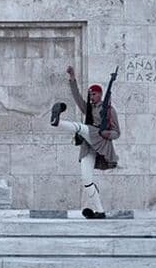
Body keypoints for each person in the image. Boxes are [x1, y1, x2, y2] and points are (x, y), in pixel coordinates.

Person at [49, 65, 120, 219]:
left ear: (100, 94)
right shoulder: (88, 108)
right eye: (90, 94)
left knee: (81, 128)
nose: (91, 96)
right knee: (86, 180)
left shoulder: (109, 110)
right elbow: (77, 98)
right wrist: (72, 79)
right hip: (88, 146)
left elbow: (117, 133)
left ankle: (57, 122)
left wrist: (107, 133)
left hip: (100, 141)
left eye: (94, 94)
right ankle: (100, 211)